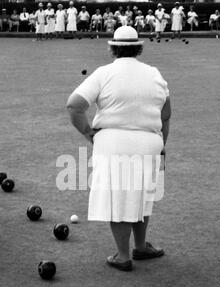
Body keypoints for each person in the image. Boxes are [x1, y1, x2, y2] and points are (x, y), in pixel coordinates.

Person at [66, 26, 171, 271]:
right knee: (142, 195)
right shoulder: (154, 73)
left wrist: (88, 132)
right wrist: (162, 143)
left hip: (113, 145)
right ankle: (141, 246)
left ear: (112, 48)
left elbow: (74, 105)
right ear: (139, 47)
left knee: (120, 199)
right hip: (150, 143)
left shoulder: (104, 73)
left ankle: (123, 257)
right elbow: (166, 114)